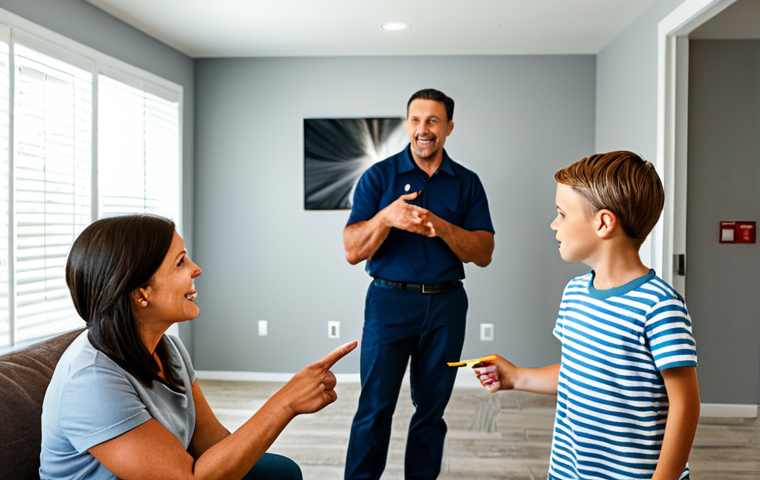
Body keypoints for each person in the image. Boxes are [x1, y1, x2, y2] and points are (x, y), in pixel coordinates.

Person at [40, 214, 357, 480]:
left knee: (280, 472)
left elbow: (211, 444)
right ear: (141, 293)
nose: (196, 268)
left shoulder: (169, 349)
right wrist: (286, 402)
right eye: (180, 262)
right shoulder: (91, 381)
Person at [473, 151, 700, 480]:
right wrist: (516, 377)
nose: (553, 224)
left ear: (604, 223)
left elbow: (685, 405)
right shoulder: (575, 294)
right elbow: (578, 372)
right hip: (570, 471)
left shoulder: (659, 306)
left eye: (562, 214)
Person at [343, 88, 495, 479]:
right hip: (388, 304)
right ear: (407, 123)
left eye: (432, 120)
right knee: (374, 407)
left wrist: (442, 227)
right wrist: (387, 217)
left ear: (448, 127)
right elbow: (352, 250)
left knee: (432, 410)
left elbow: (483, 252)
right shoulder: (378, 177)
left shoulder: (467, 183)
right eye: (415, 119)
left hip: (446, 307)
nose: (422, 129)